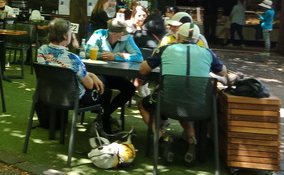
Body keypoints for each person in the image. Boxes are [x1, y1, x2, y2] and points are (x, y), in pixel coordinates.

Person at [138, 22, 227, 163]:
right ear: (198, 39)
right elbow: (223, 72)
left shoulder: (166, 49)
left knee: (142, 105)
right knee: (186, 104)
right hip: (200, 106)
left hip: (167, 103)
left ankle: (161, 138)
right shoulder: (208, 53)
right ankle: (191, 140)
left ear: (178, 36)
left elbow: (143, 70)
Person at [36, 18, 114, 133]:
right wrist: (93, 76)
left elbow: (57, 68)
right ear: (66, 36)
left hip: (47, 94)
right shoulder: (72, 59)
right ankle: (106, 128)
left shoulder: (41, 50)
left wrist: (91, 74)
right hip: (71, 98)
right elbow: (89, 85)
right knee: (106, 91)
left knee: (98, 82)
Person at [86, 19, 142, 134]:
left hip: (114, 74)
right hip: (98, 73)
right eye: (123, 33)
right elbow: (87, 52)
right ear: (115, 34)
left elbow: (139, 57)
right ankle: (105, 122)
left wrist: (116, 57)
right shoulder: (98, 34)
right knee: (103, 89)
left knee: (130, 88)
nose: (126, 35)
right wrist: (103, 55)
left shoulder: (127, 38)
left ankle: (104, 115)